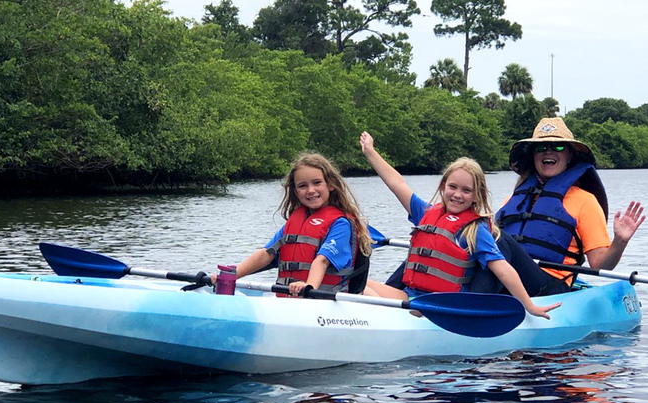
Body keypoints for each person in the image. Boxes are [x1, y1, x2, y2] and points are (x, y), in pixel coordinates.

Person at [360, 131, 559, 319]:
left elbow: (503, 270)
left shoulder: (475, 230)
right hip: (410, 296)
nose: (457, 194)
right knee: (358, 286)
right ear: (443, 187)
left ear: (475, 196)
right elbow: (397, 184)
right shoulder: (425, 213)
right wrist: (370, 152)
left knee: (369, 299)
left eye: (466, 190)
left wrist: (528, 305)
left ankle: (379, 321)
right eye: (453, 187)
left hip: (440, 305)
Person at [494, 116, 645, 294]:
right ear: (533, 156)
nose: (548, 152)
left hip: (550, 286)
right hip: (507, 279)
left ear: (569, 155)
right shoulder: (513, 199)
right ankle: (470, 305)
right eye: (541, 147)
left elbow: (600, 264)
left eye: (558, 147)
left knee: (501, 241)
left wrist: (619, 242)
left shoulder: (585, 202)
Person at [214, 152, 372, 296]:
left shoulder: (341, 224)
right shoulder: (295, 222)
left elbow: (322, 261)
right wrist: (232, 274)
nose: (310, 190)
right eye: (303, 186)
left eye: (317, 183)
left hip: (323, 302)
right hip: (291, 300)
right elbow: (266, 254)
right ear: (296, 192)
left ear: (330, 185)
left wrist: (308, 287)